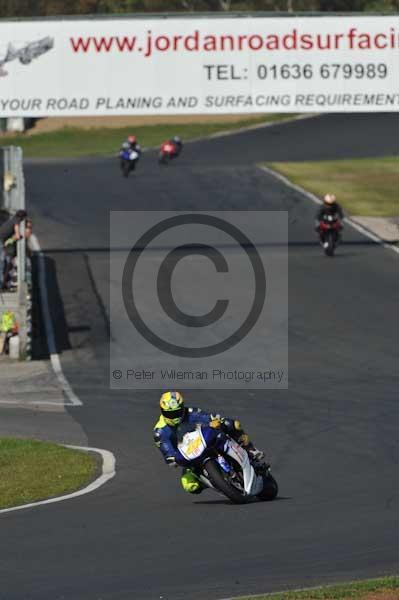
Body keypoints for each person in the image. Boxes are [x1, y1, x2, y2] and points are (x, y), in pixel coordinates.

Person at [153, 391, 265, 494]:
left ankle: (250, 449)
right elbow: (168, 454)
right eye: (171, 414)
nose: (176, 417)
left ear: (182, 407)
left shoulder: (190, 412)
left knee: (231, 424)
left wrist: (215, 421)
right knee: (190, 485)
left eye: (178, 412)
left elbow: (208, 418)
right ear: (162, 412)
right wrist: (172, 459)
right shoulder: (160, 432)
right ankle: (213, 481)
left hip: (205, 441)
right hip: (190, 457)